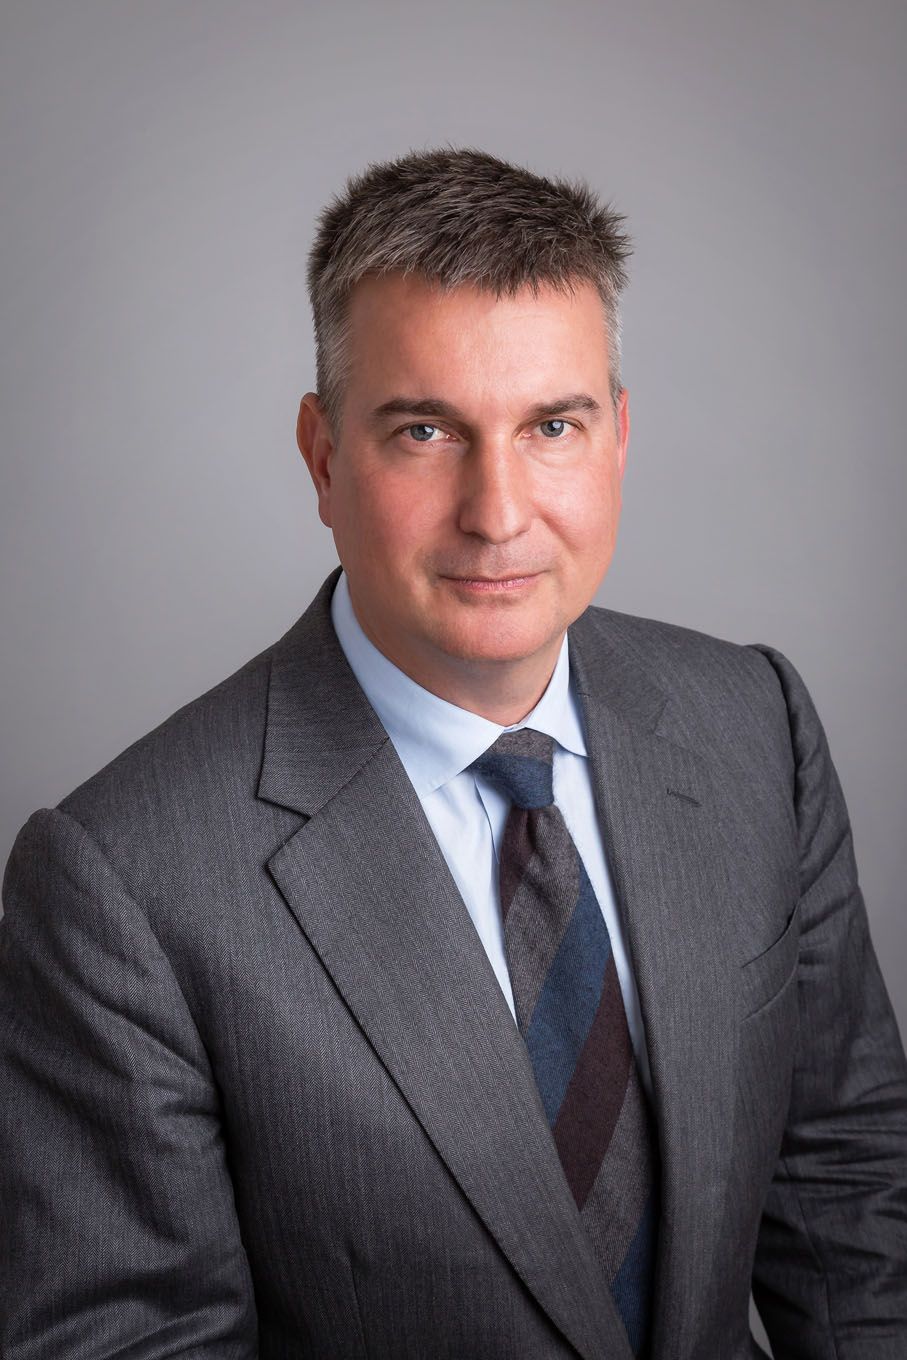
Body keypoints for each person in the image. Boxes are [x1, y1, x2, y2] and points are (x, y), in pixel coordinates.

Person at [1, 147, 905, 1360]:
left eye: (551, 425)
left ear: (618, 437)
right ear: (323, 456)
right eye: (425, 430)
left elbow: (853, 1193)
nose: (497, 510)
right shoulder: (122, 882)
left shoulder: (754, 722)